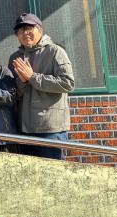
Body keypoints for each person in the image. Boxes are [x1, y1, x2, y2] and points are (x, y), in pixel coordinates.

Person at [8, 13, 75, 159]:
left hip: (50, 129)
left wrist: (32, 77)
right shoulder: (15, 58)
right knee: (30, 172)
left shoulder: (55, 51)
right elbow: (13, 93)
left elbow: (67, 83)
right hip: (25, 129)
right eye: (21, 30)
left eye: (29, 28)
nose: (25, 33)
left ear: (40, 30)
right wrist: (23, 81)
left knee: (52, 171)